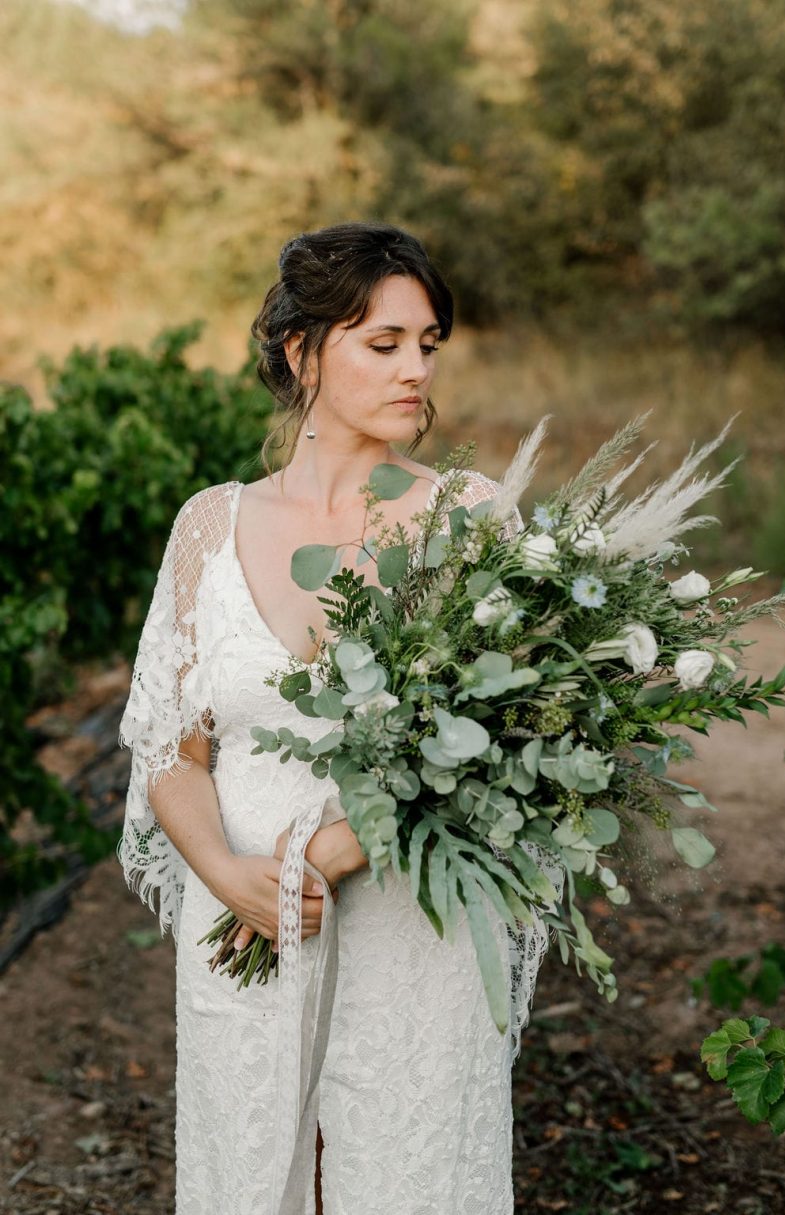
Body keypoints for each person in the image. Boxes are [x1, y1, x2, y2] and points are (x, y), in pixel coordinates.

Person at [118, 220, 551, 1215]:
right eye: (383, 342)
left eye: (428, 344)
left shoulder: (470, 521)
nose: (416, 370)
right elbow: (170, 746)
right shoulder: (209, 526)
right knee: (251, 1171)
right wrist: (235, 878)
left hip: (411, 920)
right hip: (242, 914)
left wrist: (331, 856)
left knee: (408, 1170)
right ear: (301, 352)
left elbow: (506, 746)